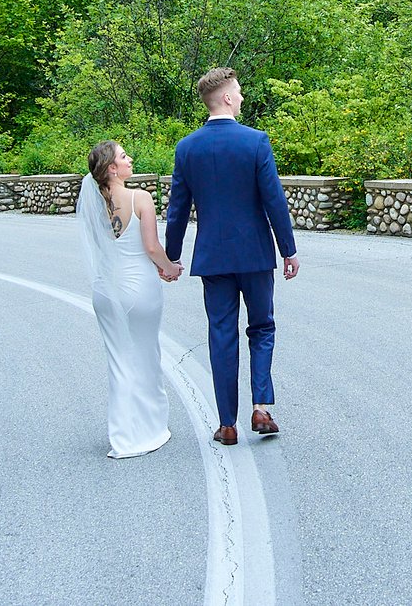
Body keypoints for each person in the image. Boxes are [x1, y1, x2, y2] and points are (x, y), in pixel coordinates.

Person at [166, 68, 299, 446]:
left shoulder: (187, 148)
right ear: (225, 97)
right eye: (238, 92)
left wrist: (172, 257)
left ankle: (227, 424)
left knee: (221, 335)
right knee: (261, 328)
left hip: (214, 258)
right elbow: (274, 200)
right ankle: (260, 406)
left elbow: (177, 209)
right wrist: (287, 250)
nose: (241, 97)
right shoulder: (255, 142)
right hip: (255, 254)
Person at [77, 140, 182, 459]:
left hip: (106, 292)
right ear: (112, 168)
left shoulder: (93, 204)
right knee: (146, 356)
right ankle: (148, 429)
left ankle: (121, 436)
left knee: (119, 362)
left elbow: (100, 247)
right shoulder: (140, 198)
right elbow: (151, 247)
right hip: (139, 290)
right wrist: (170, 268)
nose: (130, 159)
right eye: (124, 157)